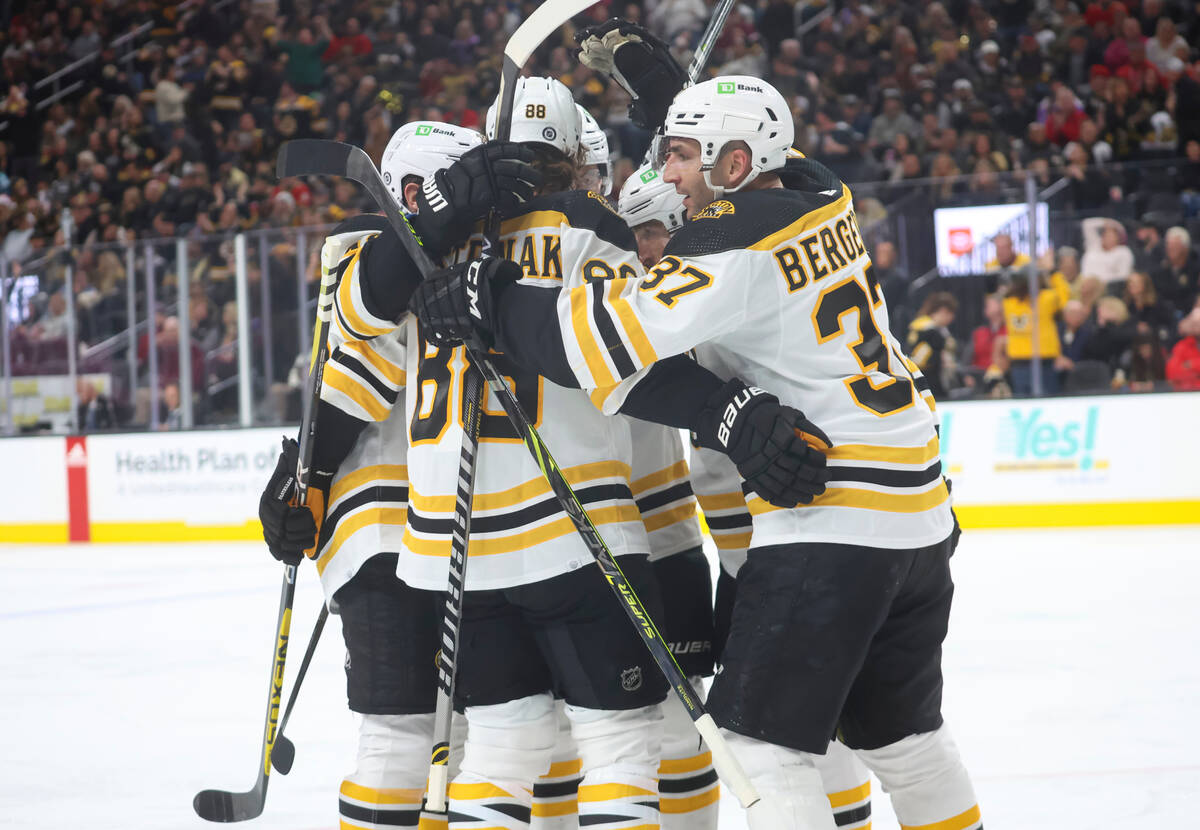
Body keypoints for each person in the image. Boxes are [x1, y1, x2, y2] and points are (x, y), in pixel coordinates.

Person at [410, 71, 978, 830]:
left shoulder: (728, 240)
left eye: (680, 154)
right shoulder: (823, 198)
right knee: (905, 742)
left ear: (735, 165)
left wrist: (495, 298)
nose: (666, 175)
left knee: (762, 750)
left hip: (832, 520)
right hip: (920, 512)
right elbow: (788, 167)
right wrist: (675, 96)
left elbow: (592, 343)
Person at [617, 157, 874, 830]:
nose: (639, 248)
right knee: (752, 728)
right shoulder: (691, 289)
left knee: (803, 732)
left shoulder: (726, 286)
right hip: (748, 561)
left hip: (798, 554)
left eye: (648, 230)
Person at [257, 120, 489, 830]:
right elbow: (356, 376)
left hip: (450, 514)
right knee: (402, 727)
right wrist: (309, 474)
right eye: (458, 187)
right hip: (377, 518)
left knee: (474, 734)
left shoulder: (479, 249)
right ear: (416, 189)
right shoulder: (362, 246)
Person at [1002, 269, 1071, 396]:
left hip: (1019, 361)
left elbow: (1008, 292)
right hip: (1043, 360)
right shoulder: (1046, 299)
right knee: (1048, 401)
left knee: (1022, 400)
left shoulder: (1008, 303)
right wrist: (1054, 274)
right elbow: (1064, 297)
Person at [906, 292, 959, 401]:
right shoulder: (930, 331)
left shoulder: (918, 325)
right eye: (950, 314)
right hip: (928, 381)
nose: (952, 319)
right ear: (943, 311)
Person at [1166, 305, 1200, 390]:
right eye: (1195, 324)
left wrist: (1192, 364)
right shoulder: (1181, 347)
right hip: (1188, 394)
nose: (1198, 327)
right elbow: (1173, 373)